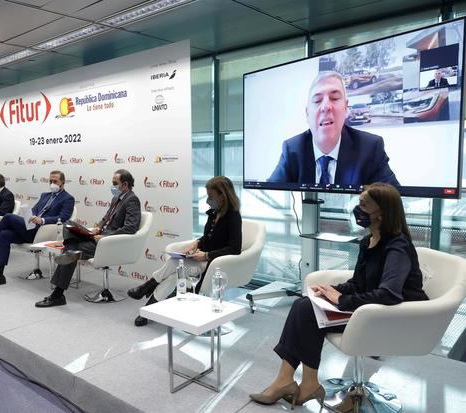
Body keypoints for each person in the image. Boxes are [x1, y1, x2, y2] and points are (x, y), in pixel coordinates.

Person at [249, 182, 428, 409]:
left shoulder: (397, 246)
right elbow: (358, 284)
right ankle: (291, 381)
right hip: (370, 311)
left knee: (306, 311)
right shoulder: (369, 241)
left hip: (394, 318)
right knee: (303, 305)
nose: (357, 209)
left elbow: (389, 294)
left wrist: (341, 301)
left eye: (363, 205)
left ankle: (304, 383)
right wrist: (330, 290)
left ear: (381, 213)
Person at [129, 176, 242, 327]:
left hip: (214, 265)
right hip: (201, 258)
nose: (208, 200)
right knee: (174, 274)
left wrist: (206, 255)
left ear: (223, 195)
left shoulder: (233, 216)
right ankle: (149, 308)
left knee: (175, 263)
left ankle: (147, 288)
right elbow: (209, 237)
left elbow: (235, 248)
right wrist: (197, 242)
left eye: (211, 197)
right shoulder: (214, 213)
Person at [267, 71, 399, 187]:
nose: (325, 106)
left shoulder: (370, 148)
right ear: (307, 114)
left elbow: (394, 202)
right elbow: (270, 193)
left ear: (346, 108)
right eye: (317, 100)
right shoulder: (292, 150)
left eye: (334, 98)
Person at [35, 169, 141, 307]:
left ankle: (58, 294)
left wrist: (104, 236)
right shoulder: (116, 198)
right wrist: (98, 227)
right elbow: (106, 218)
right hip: (98, 237)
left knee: (71, 251)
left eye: (115, 183)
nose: (112, 186)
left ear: (125, 184)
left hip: (108, 243)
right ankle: (68, 253)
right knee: (69, 224)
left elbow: (131, 227)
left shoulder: (132, 199)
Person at [0, 170, 74, 288]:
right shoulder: (45, 195)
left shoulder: (68, 198)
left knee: (8, 217)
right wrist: (30, 216)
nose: (52, 183)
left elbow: (63, 217)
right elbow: (35, 209)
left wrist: (41, 220)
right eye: (50, 181)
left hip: (43, 231)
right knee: (4, 234)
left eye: (55, 181)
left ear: (62, 182)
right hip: (31, 227)